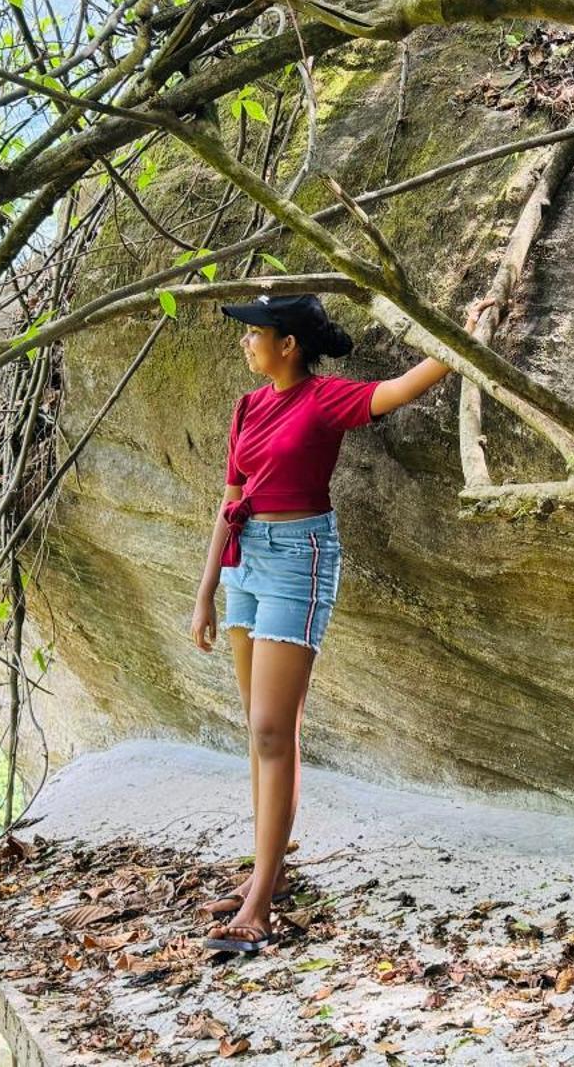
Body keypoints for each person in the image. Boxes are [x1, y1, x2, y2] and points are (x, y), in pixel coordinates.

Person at [187, 291, 468, 952]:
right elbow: (227, 502)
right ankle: (269, 870)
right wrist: (204, 593)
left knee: (271, 729)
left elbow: (400, 389)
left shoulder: (324, 399)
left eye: (254, 333)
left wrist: (463, 339)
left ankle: (260, 898)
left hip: (300, 561)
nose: (244, 342)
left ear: (288, 344)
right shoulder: (247, 407)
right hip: (244, 562)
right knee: (258, 734)